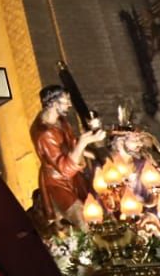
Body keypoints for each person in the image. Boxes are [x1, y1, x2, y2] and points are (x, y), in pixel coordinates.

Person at [31, 85, 105, 229]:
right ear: (52, 103)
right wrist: (84, 142)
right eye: (66, 101)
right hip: (58, 183)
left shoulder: (61, 121)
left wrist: (91, 149)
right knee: (84, 219)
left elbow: (72, 144)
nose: (70, 105)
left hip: (76, 178)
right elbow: (65, 169)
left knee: (98, 208)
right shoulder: (44, 133)